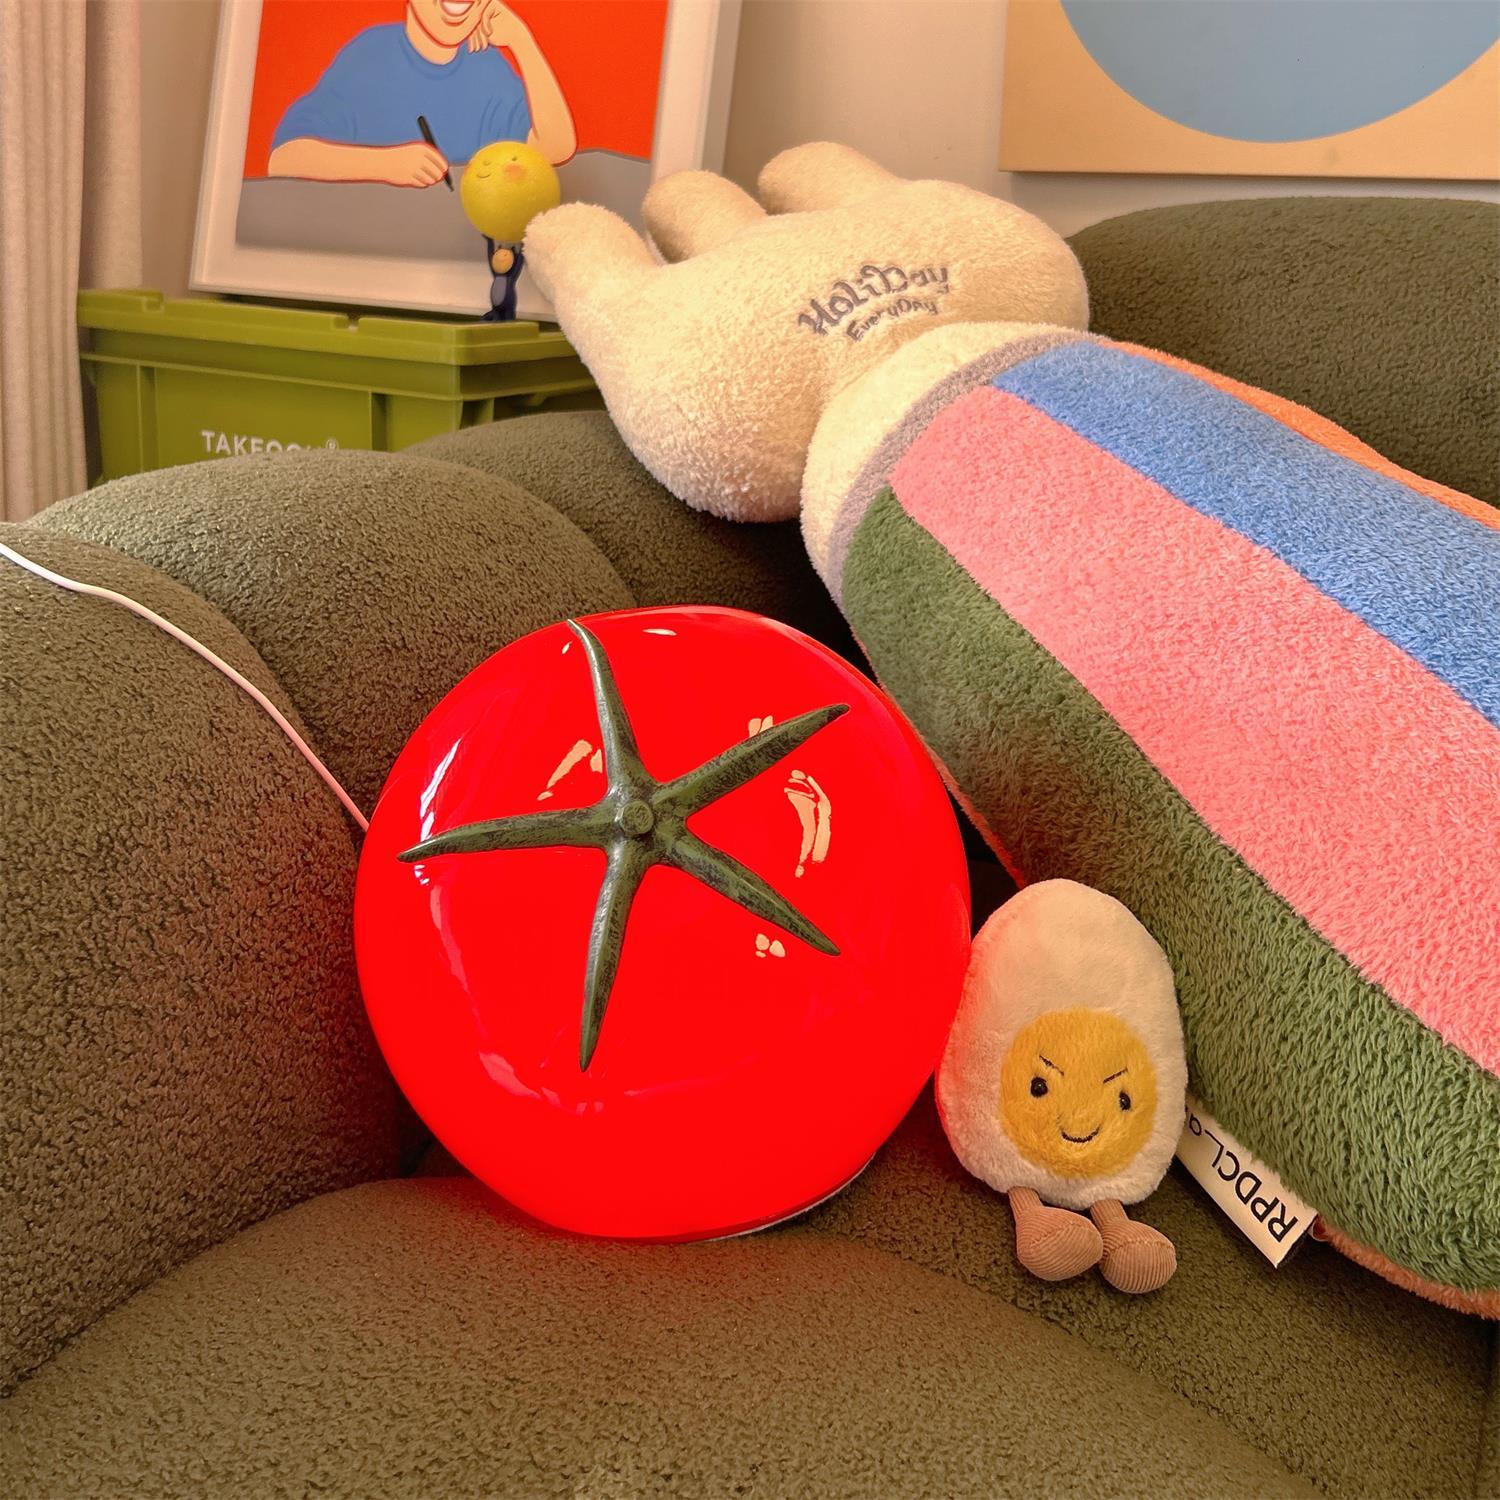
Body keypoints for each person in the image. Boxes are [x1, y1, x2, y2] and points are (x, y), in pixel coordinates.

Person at [268, 0, 576, 186]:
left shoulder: (487, 67)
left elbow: (555, 147)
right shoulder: (368, 58)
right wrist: (386, 165)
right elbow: (284, 158)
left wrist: (522, 41)